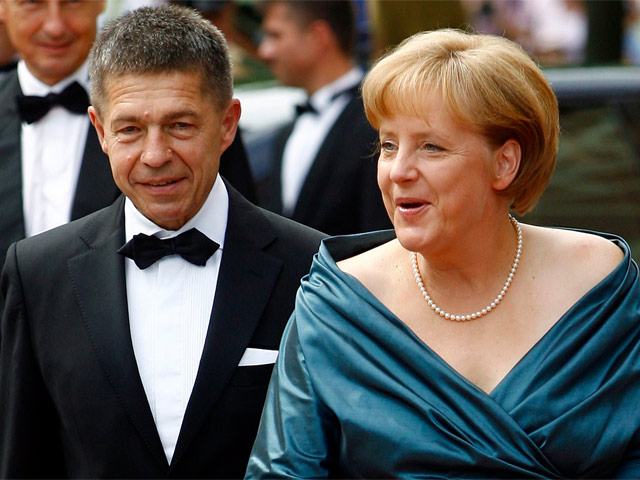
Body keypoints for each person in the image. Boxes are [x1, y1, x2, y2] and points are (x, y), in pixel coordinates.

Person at [246, 29, 640, 478]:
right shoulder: (337, 304)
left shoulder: (599, 282)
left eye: (430, 147)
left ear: (504, 163)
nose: (398, 171)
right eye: (388, 145)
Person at [0, 6, 325, 478]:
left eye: (180, 125)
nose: (155, 155)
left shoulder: (314, 270)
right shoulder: (38, 274)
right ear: (101, 131)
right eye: (131, 129)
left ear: (228, 124)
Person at [0, 0, 256, 302]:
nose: (55, 27)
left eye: (72, 2)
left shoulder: (194, 105)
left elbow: (249, 242)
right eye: (33, 3)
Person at [256, 0, 391, 235]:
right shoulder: (287, 132)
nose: (264, 51)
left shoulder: (377, 121)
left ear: (318, 36)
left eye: (275, 35)